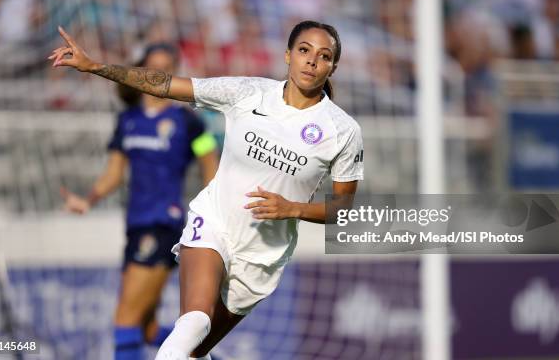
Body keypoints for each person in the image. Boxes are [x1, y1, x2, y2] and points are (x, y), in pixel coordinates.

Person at [49, 20, 364, 360]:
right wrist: (95, 66)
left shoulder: (343, 131)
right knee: (193, 322)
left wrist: (293, 208)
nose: (312, 61)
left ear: (333, 66)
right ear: (288, 55)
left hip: (262, 256)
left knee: (194, 352)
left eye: (324, 56)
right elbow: (165, 86)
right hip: (214, 222)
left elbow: (343, 208)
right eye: (304, 50)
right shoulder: (247, 92)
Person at [59, 42, 219, 360]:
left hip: (163, 223)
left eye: (165, 68)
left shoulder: (189, 122)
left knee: (124, 319)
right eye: (151, 67)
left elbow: (209, 166)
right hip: (135, 225)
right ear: (140, 70)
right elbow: (114, 174)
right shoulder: (128, 120)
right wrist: (88, 200)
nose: (157, 74)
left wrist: (215, 213)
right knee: (145, 329)